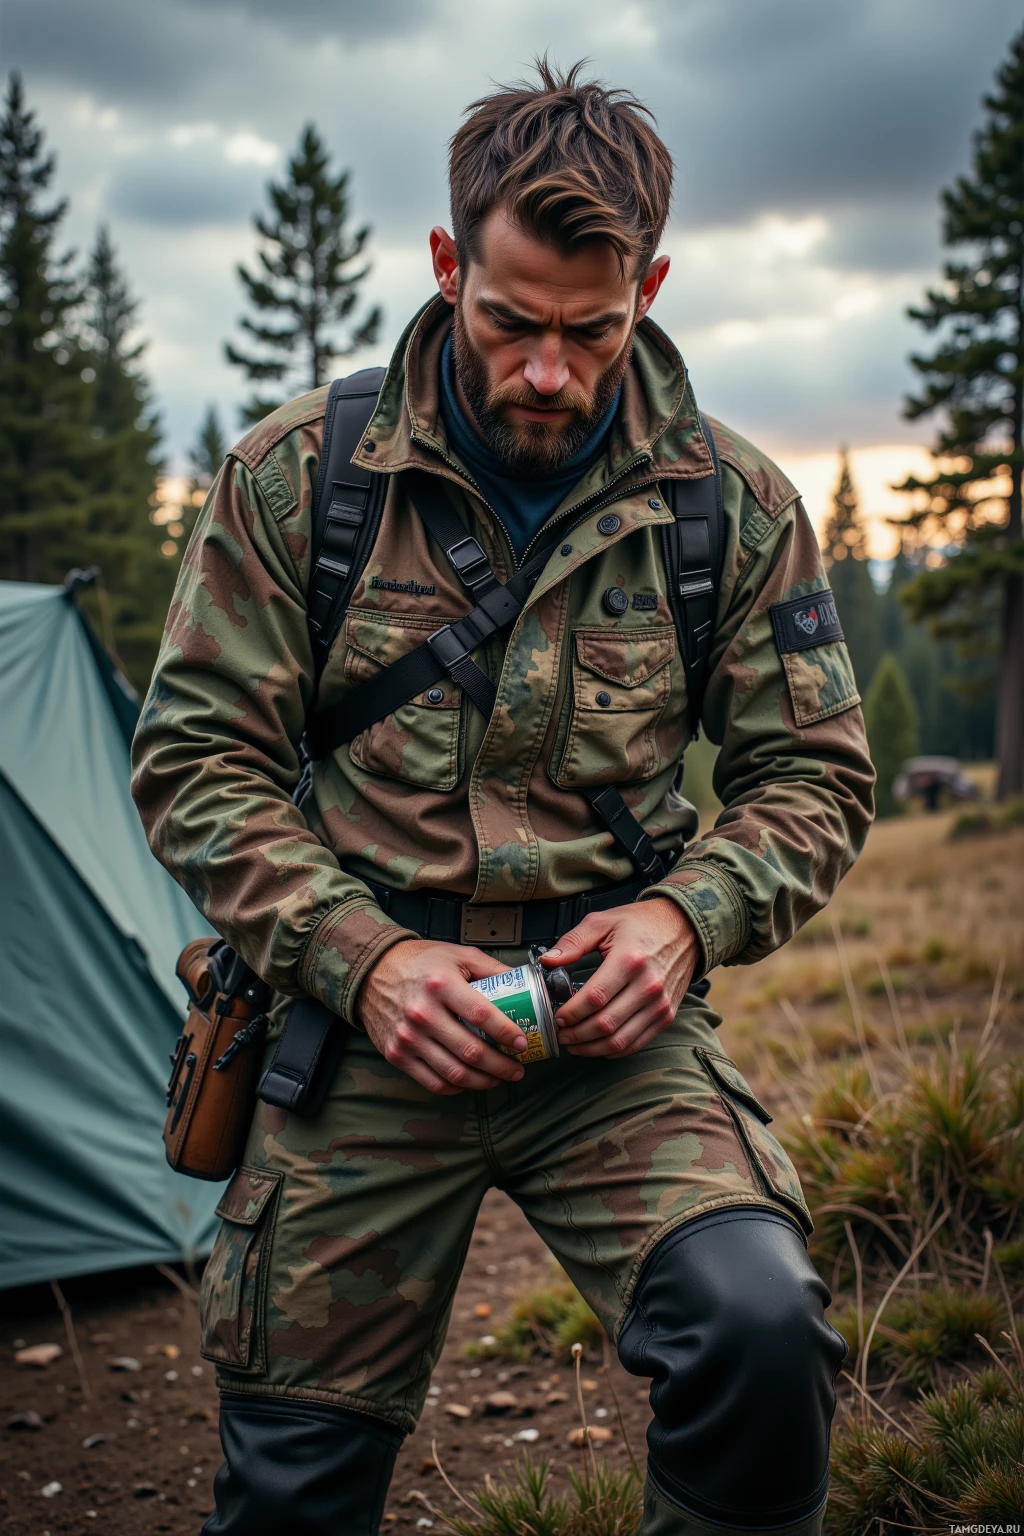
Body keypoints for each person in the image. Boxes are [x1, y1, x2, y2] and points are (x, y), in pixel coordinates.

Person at [132, 60, 874, 1536]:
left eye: (591, 333)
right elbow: (195, 764)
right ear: (445, 264)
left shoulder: (731, 507)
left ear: (649, 286)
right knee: (293, 1482)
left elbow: (814, 776)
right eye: (509, 322)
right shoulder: (301, 481)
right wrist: (371, 959)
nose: (548, 371)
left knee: (761, 1328)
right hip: (355, 1034)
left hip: (615, 1039)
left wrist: (683, 920)